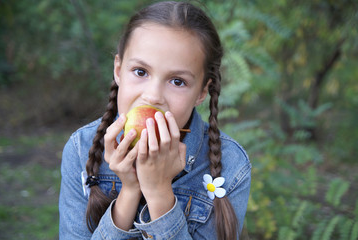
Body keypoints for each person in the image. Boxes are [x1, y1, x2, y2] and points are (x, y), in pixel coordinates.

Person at [59, 1, 251, 239]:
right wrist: (130, 191)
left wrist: (159, 192)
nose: (152, 96)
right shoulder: (81, 150)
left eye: (177, 81)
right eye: (140, 72)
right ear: (118, 70)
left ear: (202, 92)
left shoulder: (231, 166)